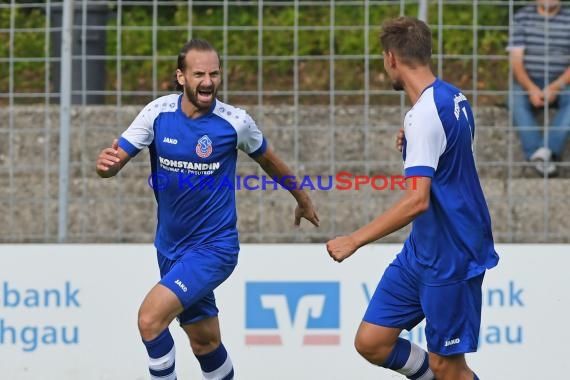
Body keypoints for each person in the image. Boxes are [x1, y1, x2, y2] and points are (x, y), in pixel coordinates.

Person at [95, 38, 319, 380]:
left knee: (150, 320)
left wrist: (302, 199)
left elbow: (271, 162)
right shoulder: (157, 114)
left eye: (214, 73)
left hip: (214, 249)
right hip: (169, 248)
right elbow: (116, 160)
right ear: (181, 77)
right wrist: (106, 166)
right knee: (205, 342)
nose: (208, 81)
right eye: (199, 73)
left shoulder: (235, 122)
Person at [326, 16, 499, 380]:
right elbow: (452, 150)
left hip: (452, 253)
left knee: (448, 367)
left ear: (391, 58)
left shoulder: (424, 115)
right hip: (423, 250)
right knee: (372, 340)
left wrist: (354, 239)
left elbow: (417, 201)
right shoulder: (453, 97)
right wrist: (414, 144)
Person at [508, 0, 570, 176]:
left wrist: (556, 86)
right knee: (514, 99)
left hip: (563, 81)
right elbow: (516, 61)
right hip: (529, 80)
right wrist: (530, 88)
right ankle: (540, 154)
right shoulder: (521, 18)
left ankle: (543, 152)